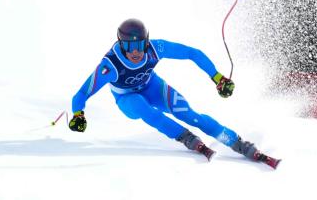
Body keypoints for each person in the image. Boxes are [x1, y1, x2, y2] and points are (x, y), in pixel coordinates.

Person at [69, 18, 280, 168]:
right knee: (145, 110)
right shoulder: (110, 65)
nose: (135, 51)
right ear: (120, 44)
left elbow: (192, 53)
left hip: (153, 87)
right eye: (128, 45)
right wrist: (78, 114)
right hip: (127, 98)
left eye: (140, 44)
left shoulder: (155, 48)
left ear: (147, 41)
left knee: (191, 115)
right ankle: (185, 138)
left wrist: (217, 78)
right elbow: (81, 95)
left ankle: (237, 143)